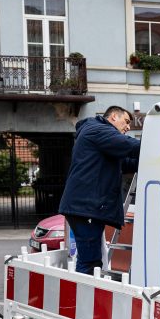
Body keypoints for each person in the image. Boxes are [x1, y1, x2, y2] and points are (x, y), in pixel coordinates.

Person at [59, 106, 141, 274]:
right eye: (125, 122)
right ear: (112, 117)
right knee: (89, 261)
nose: (128, 128)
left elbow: (125, 163)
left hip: (86, 207)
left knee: (91, 259)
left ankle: (83, 296)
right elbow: (129, 145)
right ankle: (82, 298)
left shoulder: (100, 137)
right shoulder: (99, 129)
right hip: (85, 208)